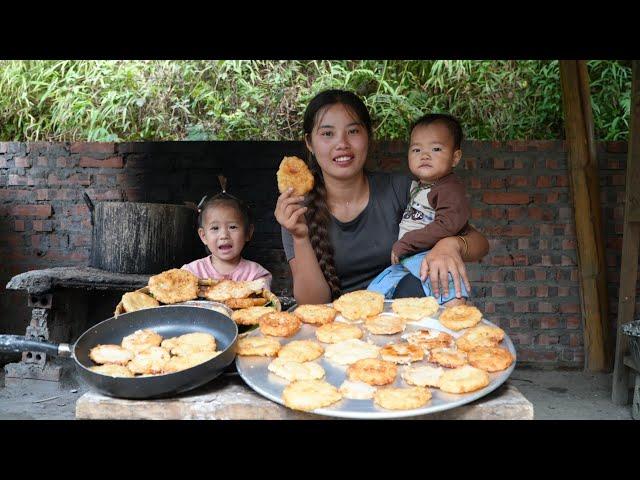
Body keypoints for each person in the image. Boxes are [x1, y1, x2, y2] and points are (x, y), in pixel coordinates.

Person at [275, 89, 488, 305]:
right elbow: (313, 305)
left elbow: (480, 243)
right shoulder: (297, 210)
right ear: (310, 143)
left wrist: (451, 245)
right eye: (328, 134)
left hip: (406, 320)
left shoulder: (401, 189)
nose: (342, 144)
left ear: (368, 136)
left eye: (353, 131)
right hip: (339, 328)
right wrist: (300, 237)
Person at [367, 113, 470, 304]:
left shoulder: (449, 188)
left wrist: (407, 242)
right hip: (409, 258)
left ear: (455, 157)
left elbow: (448, 224)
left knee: (447, 292)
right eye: (416, 150)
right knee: (374, 292)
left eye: (436, 148)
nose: (424, 155)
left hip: (430, 255)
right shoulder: (418, 187)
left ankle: (459, 320)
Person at [182, 177, 272, 289]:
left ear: (248, 233)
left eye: (232, 227)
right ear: (203, 236)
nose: (224, 235)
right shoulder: (191, 272)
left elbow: (263, 302)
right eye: (215, 228)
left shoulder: (256, 275)